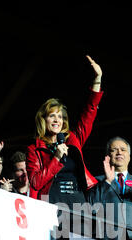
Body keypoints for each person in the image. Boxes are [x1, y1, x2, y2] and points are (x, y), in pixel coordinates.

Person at [26, 55, 103, 210]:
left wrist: (97, 79)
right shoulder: (34, 149)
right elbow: (35, 182)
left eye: (59, 116)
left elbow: (89, 114)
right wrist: (56, 158)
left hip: (78, 201)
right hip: (52, 202)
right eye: (52, 115)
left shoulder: (72, 139)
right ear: (44, 119)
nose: (56, 120)